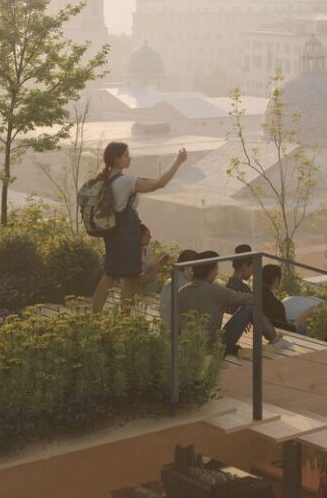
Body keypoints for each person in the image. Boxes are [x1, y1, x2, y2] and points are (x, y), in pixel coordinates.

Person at [88, 144, 188, 312]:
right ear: (116, 159)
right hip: (126, 235)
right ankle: (125, 321)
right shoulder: (125, 181)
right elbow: (159, 183)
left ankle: (94, 314)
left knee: (110, 274)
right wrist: (178, 161)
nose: (130, 158)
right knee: (131, 276)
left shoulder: (103, 179)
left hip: (111, 232)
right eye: (126, 155)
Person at [174, 252, 287, 351]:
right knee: (251, 307)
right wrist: (245, 314)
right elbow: (253, 299)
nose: (217, 273)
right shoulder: (216, 291)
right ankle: (274, 339)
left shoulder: (182, 291)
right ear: (211, 271)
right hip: (212, 348)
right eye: (216, 269)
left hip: (186, 346)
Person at [258, 264, 318, 334]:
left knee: (293, 322)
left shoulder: (254, 294)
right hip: (273, 335)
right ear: (276, 280)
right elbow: (287, 331)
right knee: (302, 327)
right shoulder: (276, 305)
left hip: (259, 331)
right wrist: (303, 316)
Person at [157, 248, 198, 324]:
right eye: (197, 266)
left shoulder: (170, 280)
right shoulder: (186, 285)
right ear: (188, 267)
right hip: (176, 332)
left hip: (165, 329)